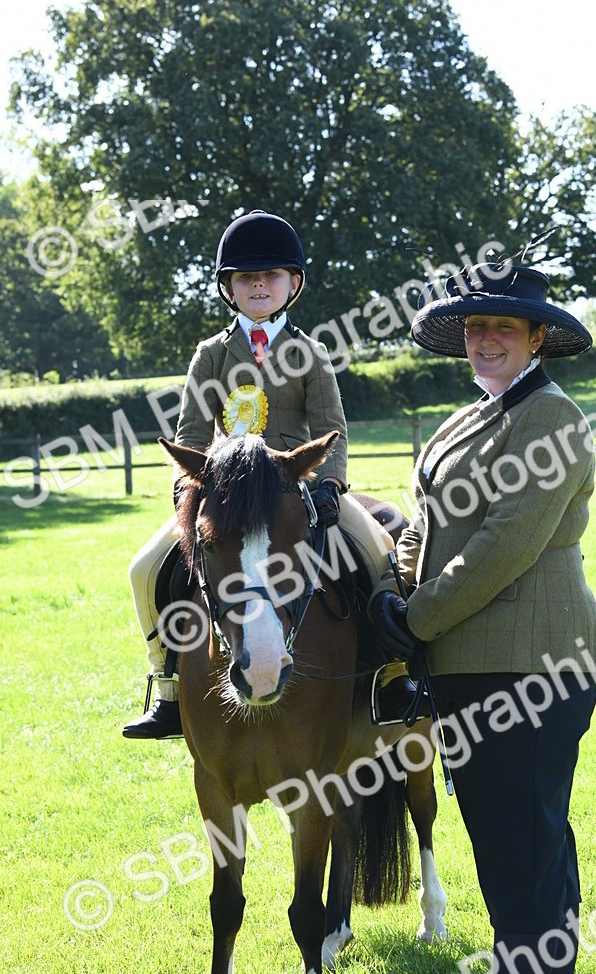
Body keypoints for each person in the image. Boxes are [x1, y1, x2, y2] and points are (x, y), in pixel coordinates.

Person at [370, 258, 596, 974]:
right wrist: (397, 588)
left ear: (538, 337)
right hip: (475, 665)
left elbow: (504, 545)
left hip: (529, 667)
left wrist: (418, 617)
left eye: (502, 327)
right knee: (537, 844)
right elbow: (429, 523)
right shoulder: (464, 420)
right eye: (475, 328)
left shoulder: (550, 418)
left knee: (520, 852)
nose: (484, 340)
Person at [123, 209, 395, 738]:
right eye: (247, 277)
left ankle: (392, 677)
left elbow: (331, 427)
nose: (259, 285)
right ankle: (168, 688)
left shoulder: (311, 353)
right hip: (227, 493)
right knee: (143, 568)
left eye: (270, 276)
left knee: (379, 551)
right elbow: (192, 433)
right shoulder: (210, 355)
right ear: (229, 286)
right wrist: (189, 493)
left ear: (292, 283)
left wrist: (330, 485)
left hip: (297, 487)